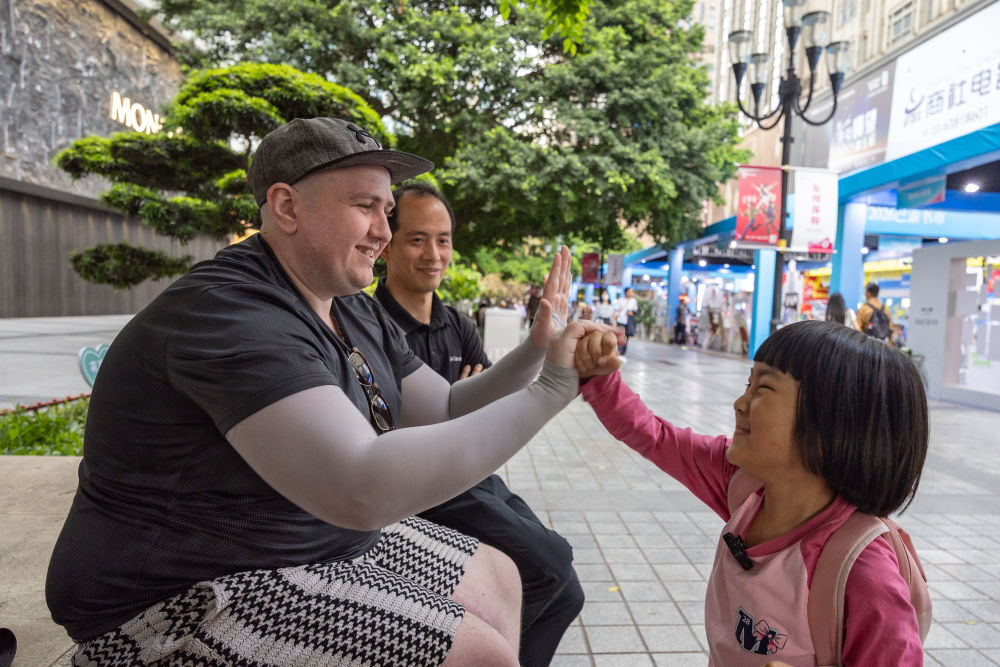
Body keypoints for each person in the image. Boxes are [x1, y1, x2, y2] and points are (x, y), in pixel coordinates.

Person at [45, 117, 606, 666]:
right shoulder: (230, 312)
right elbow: (358, 489)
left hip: (302, 542)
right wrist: (552, 391)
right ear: (287, 206)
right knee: (476, 654)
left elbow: (445, 407)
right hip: (179, 593)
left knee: (504, 577)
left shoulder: (351, 308)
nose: (383, 232)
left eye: (385, 211)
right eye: (364, 207)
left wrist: (537, 350)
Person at [574, 319, 928, 665]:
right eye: (748, 384)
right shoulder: (744, 485)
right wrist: (600, 377)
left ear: (830, 430)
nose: (740, 404)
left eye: (764, 390)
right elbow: (655, 436)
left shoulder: (863, 573)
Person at [373, 183, 584, 665]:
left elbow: (472, 408)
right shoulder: (369, 322)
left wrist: (534, 348)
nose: (434, 254)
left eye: (443, 240)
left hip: (471, 475)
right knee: (549, 566)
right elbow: (445, 412)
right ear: (385, 244)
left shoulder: (458, 325)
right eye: (417, 239)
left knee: (567, 589)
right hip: (419, 489)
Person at [614, 287, 638, 356]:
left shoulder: (633, 301)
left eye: (632, 292)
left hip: (629, 321)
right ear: (626, 292)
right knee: (620, 336)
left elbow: (635, 311)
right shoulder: (621, 300)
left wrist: (632, 312)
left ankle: (623, 353)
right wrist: (614, 320)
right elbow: (616, 310)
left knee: (626, 337)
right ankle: (619, 351)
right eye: (630, 291)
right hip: (621, 320)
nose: (631, 293)